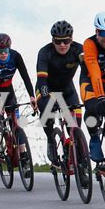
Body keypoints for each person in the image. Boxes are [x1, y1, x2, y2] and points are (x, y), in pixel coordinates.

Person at [35, 21, 83, 165]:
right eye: (58, 41)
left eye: (66, 41)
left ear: (71, 40)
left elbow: (88, 72)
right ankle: (51, 140)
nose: (62, 45)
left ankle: (82, 167)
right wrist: (48, 99)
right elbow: (42, 80)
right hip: (46, 89)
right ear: (53, 41)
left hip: (67, 90)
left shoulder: (78, 50)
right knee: (47, 113)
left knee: (75, 129)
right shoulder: (45, 53)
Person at [0, 33, 36, 155]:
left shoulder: (16, 56)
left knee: (15, 123)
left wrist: (32, 96)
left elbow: (25, 77)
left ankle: (23, 156)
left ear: (9, 48)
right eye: (0, 50)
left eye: (6, 50)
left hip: (8, 88)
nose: (3, 53)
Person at [80, 12, 105, 163]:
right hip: (90, 81)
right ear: (96, 32)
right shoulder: (89, 43)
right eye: (102, 33)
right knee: (93, 109)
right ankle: (94, 136)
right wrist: (100, 97)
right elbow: (94, 73)